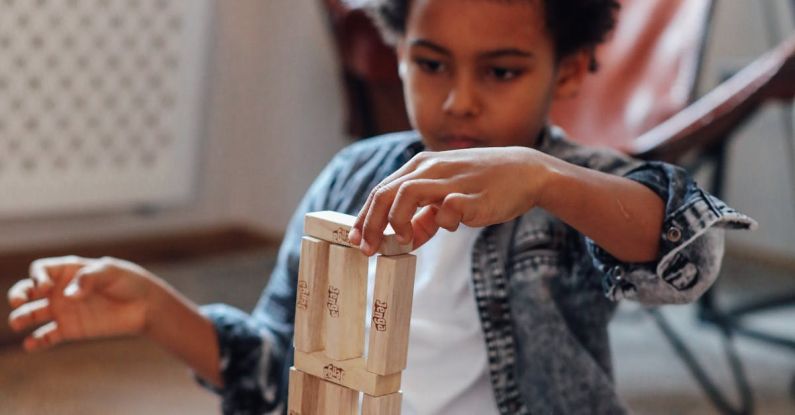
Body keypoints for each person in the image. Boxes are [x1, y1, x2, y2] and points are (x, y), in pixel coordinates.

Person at [7, 0, 756, 414]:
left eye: (500, 71)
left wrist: (539, 177)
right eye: (430, 65)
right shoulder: (349, 180)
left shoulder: (569, 184)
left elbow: (685, 260)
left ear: (566, 74)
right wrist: (155, 312)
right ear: (397, 53)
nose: (459, 100)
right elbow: (273, 367)